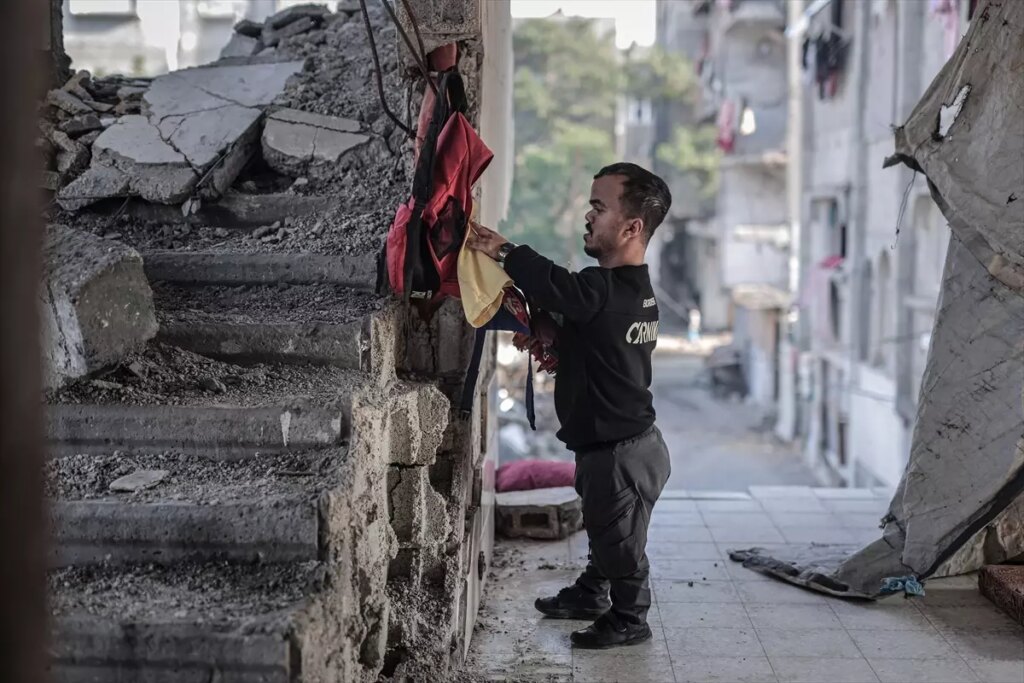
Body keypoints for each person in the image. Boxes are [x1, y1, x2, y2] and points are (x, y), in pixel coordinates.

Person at [467, 162, 672, 649]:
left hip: (619, 454)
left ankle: (630, 617)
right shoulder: (635, 294)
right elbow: (595, 336)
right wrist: (554, 335)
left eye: (599, 207)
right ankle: (592, 592)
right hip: (629, 446)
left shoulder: (600, 291)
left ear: (632, 227)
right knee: (606, 528)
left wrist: (504, 250)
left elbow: (558, 286)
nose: (588, 215)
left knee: (620, 543)